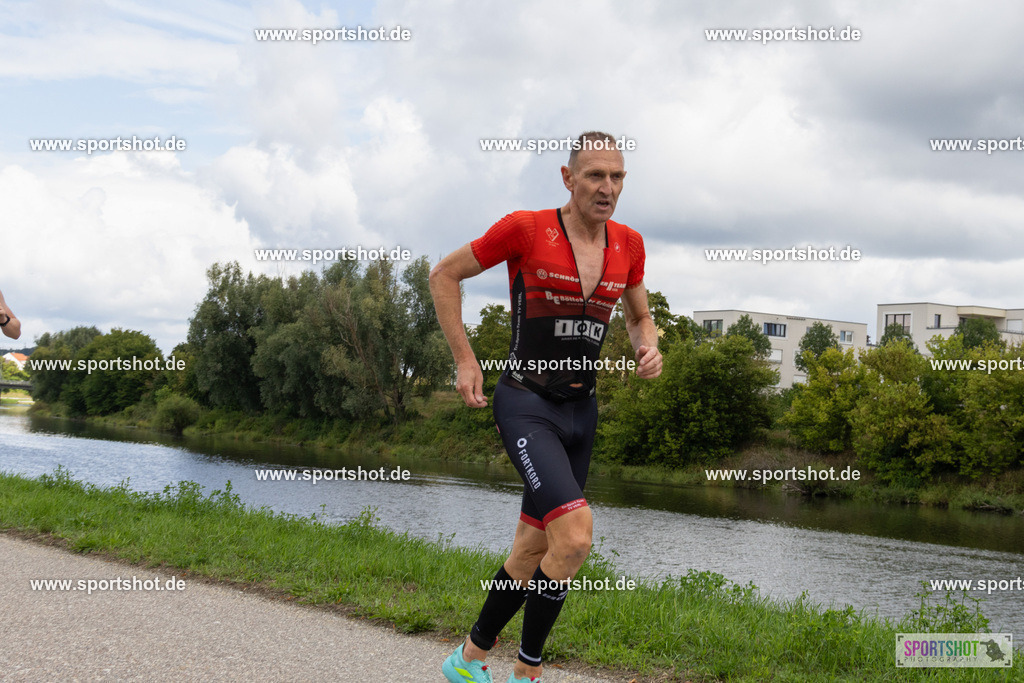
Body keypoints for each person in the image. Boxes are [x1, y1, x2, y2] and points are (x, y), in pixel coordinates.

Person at [430, 132, 662, 683]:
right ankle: (527, 673)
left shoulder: (628, 244)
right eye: (595, 176)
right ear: (567, 177)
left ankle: (466, 660)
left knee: (534, 548)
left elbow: (637, 317)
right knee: (576, 536)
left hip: (582, 414)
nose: (608, 187)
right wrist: (466, 360)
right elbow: (444, 274)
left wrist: (647, 345)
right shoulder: (526, 229)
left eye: (618, 177)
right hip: (527, 403)